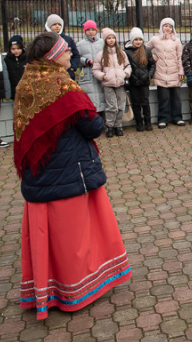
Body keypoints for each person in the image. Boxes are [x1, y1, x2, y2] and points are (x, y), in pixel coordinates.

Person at [14, 32, 131, 320]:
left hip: (38, 172)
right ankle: (75, 290)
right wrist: (99, 118)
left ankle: (44, 289)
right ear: (54, 56)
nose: (70, 54)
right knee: (72, 238)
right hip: (67, 172)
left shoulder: (26, 81)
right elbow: (91, 126)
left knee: (46, 236)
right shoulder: (62, 87)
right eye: (65, 51)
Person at [146, 17, 185, 128]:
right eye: (165, 26)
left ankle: (177, 118)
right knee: (163, 99)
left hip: (174, 73)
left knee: (176, 98)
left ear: (173, 29)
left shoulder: (176, 41)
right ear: (161, 27)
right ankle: (163, 119)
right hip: (160, 74)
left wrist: (180, 71)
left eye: (170, 26)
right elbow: (144, 50)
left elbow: (179, 57)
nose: (167, 28)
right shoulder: (155, 40)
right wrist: (152, 56)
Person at [92, 28, 131, 138]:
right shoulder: (101, 55)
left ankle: (118, 126)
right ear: (105, 40)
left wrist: (125, 73)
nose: (111, 40)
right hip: (108, 84)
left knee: (120, 105)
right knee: (112, 106)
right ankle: (110, 126)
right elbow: (95, 70)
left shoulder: (121, 53)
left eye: (113, 37)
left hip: (120, 84)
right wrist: (103, 76)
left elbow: (127, 66)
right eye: (109, 38)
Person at [124, 28, 155, 132]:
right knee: (136, 104)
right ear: (132, 40)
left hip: (144, 82)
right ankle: (139, 123)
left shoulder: (146, 51)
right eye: (136, 39)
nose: (138, 42)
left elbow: (152, 65)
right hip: (133, 83)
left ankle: (148, 123)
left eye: (140, 39)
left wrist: (149, 75)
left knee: (145, 103)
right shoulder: (127, 52)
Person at [76, 20, 106, 114]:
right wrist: (86, 61)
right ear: (85, 31)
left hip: (100, 73)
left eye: (93, 29)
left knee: (102, 97)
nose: (91, 32)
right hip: (87, 75)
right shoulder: (80, 45)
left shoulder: (102, 43)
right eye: (88, 30)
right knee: (90, 97)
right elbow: (77, 58)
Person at [44, 14, 80, 80]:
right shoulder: (44, 40)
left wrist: (73, 67)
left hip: (67, 73)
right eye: (54, 24)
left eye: (59, 24)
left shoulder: (68, 39)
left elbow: (76, 55)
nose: (57, 26)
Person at [5, 35, 27, 99]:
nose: (16, 51)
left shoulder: (27, 58)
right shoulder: (7, 60)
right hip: (14, 89)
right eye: (13, 49)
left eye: (18, 48)